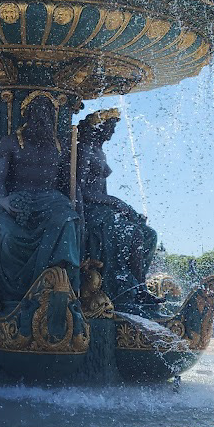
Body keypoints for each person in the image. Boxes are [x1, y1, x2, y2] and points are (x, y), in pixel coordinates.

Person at [0, 91, 81, 302]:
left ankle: (60, 285)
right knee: (9, 235)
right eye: (38, 111)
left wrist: (77, 210)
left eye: (47, 112)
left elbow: (70, 183)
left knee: (67, 222)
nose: (43, 116)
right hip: (15, 202)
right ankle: (13, 296)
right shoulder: (10, 142)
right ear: (27, 114)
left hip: (51, 202)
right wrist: (4, 201)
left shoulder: (60, 146)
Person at [76, 107, 158, 307]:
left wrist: (122, 209)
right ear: (99, 127)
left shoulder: (99, 152)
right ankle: (134, 288)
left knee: (149, 234)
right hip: (90, 209)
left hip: (103, 207)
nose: (112, 132)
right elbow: (80, 189)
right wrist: (116, 203)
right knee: (133, 234)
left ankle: (137, 285)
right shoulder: (84, 149)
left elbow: (102, 190)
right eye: (110, 127)